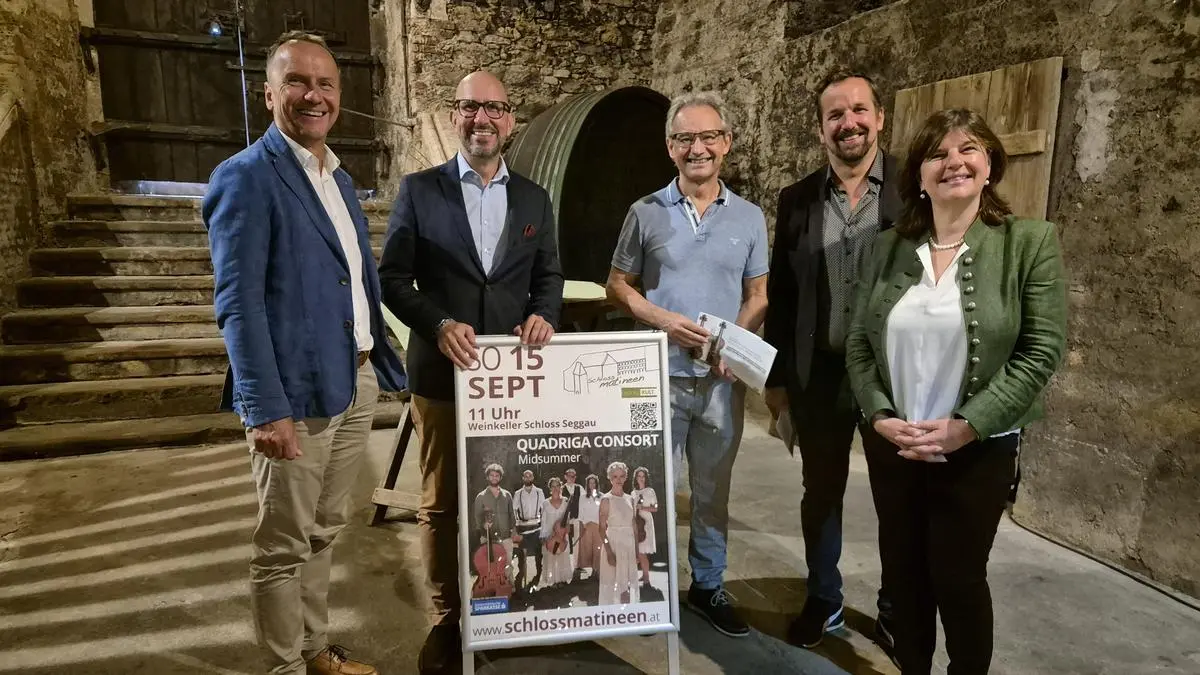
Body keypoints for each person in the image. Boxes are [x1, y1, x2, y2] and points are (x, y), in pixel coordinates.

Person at [202, 31, 405, 675]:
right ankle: (285, 666)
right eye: (297, 81)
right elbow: (239, 304)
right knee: (282, 545)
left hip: (352, 381)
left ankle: (315, 651)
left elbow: (353, 280)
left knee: (322, 531)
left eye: (325, 84)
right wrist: (265, 408)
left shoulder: (336, 178)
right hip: (293, 396)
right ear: (269, 94)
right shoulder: (245, 178)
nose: (313, 95)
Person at [845, 108, 1067, 674]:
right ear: (919, 175)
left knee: (959, 579)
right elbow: (859, 343)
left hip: (977, 450)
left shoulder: (1028, 242)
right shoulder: (887, 247)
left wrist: (967, 425)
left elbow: (1041, 350)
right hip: (895, 445)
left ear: (989, 164)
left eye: (968, 150)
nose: (954, 163)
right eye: (937, 154)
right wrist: (879, 415)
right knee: (903, 576)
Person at [378, 70, 564, 674]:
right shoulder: (419, 190)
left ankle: (499, 605)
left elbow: (548, 276)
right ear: (455, 115)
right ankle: (446, 618)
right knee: (441, 502)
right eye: (469, 107)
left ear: (509, 119)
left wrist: (544, 315)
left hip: (511, 382)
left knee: (504, 497)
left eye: (493, 108)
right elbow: (391, 279)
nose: (481, 119)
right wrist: (437, 323)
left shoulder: (534, 198)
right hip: (442, 376)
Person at [606, 91, 768, 638]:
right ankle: (644, 587)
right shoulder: (645, 212)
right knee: (647, 489)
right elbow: (617, 285)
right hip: (656, 376)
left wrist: (732, 344)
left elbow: (758, 294)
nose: (697, 148)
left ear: (726, 143)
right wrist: (663, 321)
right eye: (685, 139)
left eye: (708, 137)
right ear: (670, 147)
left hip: (720, 383)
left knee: (712, 490)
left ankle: (707, 585)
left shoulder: (748, 217)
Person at [761, 70, 896, 650]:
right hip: (820, 373)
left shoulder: (914, 191)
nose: (849, 123)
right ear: (821, 129)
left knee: (897, 496)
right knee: (821, 492)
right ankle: (824, 597)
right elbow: (783, 294)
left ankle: (896, 608)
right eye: (835, 115)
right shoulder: (797, 198)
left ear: (879, 117)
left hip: (893, 377)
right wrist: (776, 379)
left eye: (859, 110)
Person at [597, 462, 639, 605]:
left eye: (621, 476)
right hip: (613, 543)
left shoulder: (630, 499)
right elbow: (601, 529)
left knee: (627, 582)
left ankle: (628, 612)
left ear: (626, 477)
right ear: (610, 478)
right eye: (615, 476)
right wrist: (609, 551)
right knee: (611, 582)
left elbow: (634, 525)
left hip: (629, 544)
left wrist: (637, 550)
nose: (618, 479)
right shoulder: (606, 499)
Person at [471, 464, 520, 582]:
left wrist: (513, 531)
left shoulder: (507, 495)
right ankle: (491, 587)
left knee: (508, 564)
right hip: (488, 538)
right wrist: (483, 525)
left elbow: (511, 515)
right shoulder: (481, 497)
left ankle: (509, 587)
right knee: (489, 566)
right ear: (487, 477)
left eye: (497, 475)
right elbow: (477, 518)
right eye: (492, 475)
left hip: (505, 537)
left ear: (500, 477)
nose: (494, 478)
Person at [513, 469, 545, 590]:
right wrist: (516, 525)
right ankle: (520, 576)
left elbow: (544, 508)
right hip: (523, 527)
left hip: (536, 526)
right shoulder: (518, 493)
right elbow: (514, 510)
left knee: (538, 553)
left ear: (533, 478)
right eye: (525, 476)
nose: (528, 478)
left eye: (530, 476)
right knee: (522, 555)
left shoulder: (539, 492)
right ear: (523, 478)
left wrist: (543, 523)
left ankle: (538, 574)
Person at [539, 477, 574, 588]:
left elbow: (568, 518)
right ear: (550, 488)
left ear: (561, 487)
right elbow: (543, 521)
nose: (555, 488)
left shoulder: (566, 501)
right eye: (553, 486)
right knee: (552, 556)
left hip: (562, 535)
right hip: (551, 534)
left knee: (563, 556)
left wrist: (567, 527)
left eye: (557, 486)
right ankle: (553, 580)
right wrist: (544, 537)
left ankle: (562, 579)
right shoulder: (545, 503)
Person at [631, 467, 659, 585]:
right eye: (639, 476)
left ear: (646, 478)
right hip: (636, 523)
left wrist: (642, 507)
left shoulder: (650, 491)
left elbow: (655, 508)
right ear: (636, 478)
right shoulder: (634, 492)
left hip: (646, 523)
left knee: (642, 552)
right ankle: (644, 575)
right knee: (638, 551)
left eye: (643, 476)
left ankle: (646, 577)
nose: (641, 478)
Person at [575, 474, 604, 580]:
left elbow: (603, 512)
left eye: (594, 483)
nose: (592, 485)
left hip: (598, 526)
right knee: (588, 550)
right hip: (586, 526)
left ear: (597, 484)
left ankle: (597, 571)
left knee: (598, 549)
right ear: (587, 484)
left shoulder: (602, 496)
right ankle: (592, 571)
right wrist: (582, 526)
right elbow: (580, 513)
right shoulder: (583, 497)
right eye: (590, 483)